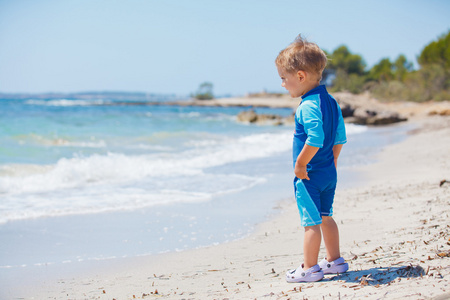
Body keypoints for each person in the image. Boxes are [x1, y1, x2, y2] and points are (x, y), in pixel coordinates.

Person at [275, 35, 349, 283]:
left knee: (311, 223)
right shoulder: (331, 102)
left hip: (309, 176)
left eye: (284, 78)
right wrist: (334, 163)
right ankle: (335, 261)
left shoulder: (306, 106)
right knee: (326, 216)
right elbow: (339, 138)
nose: (283, 84)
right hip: (328, 173)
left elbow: (315, 138)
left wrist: (300, 164)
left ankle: (309, 268)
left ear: (301, 76)